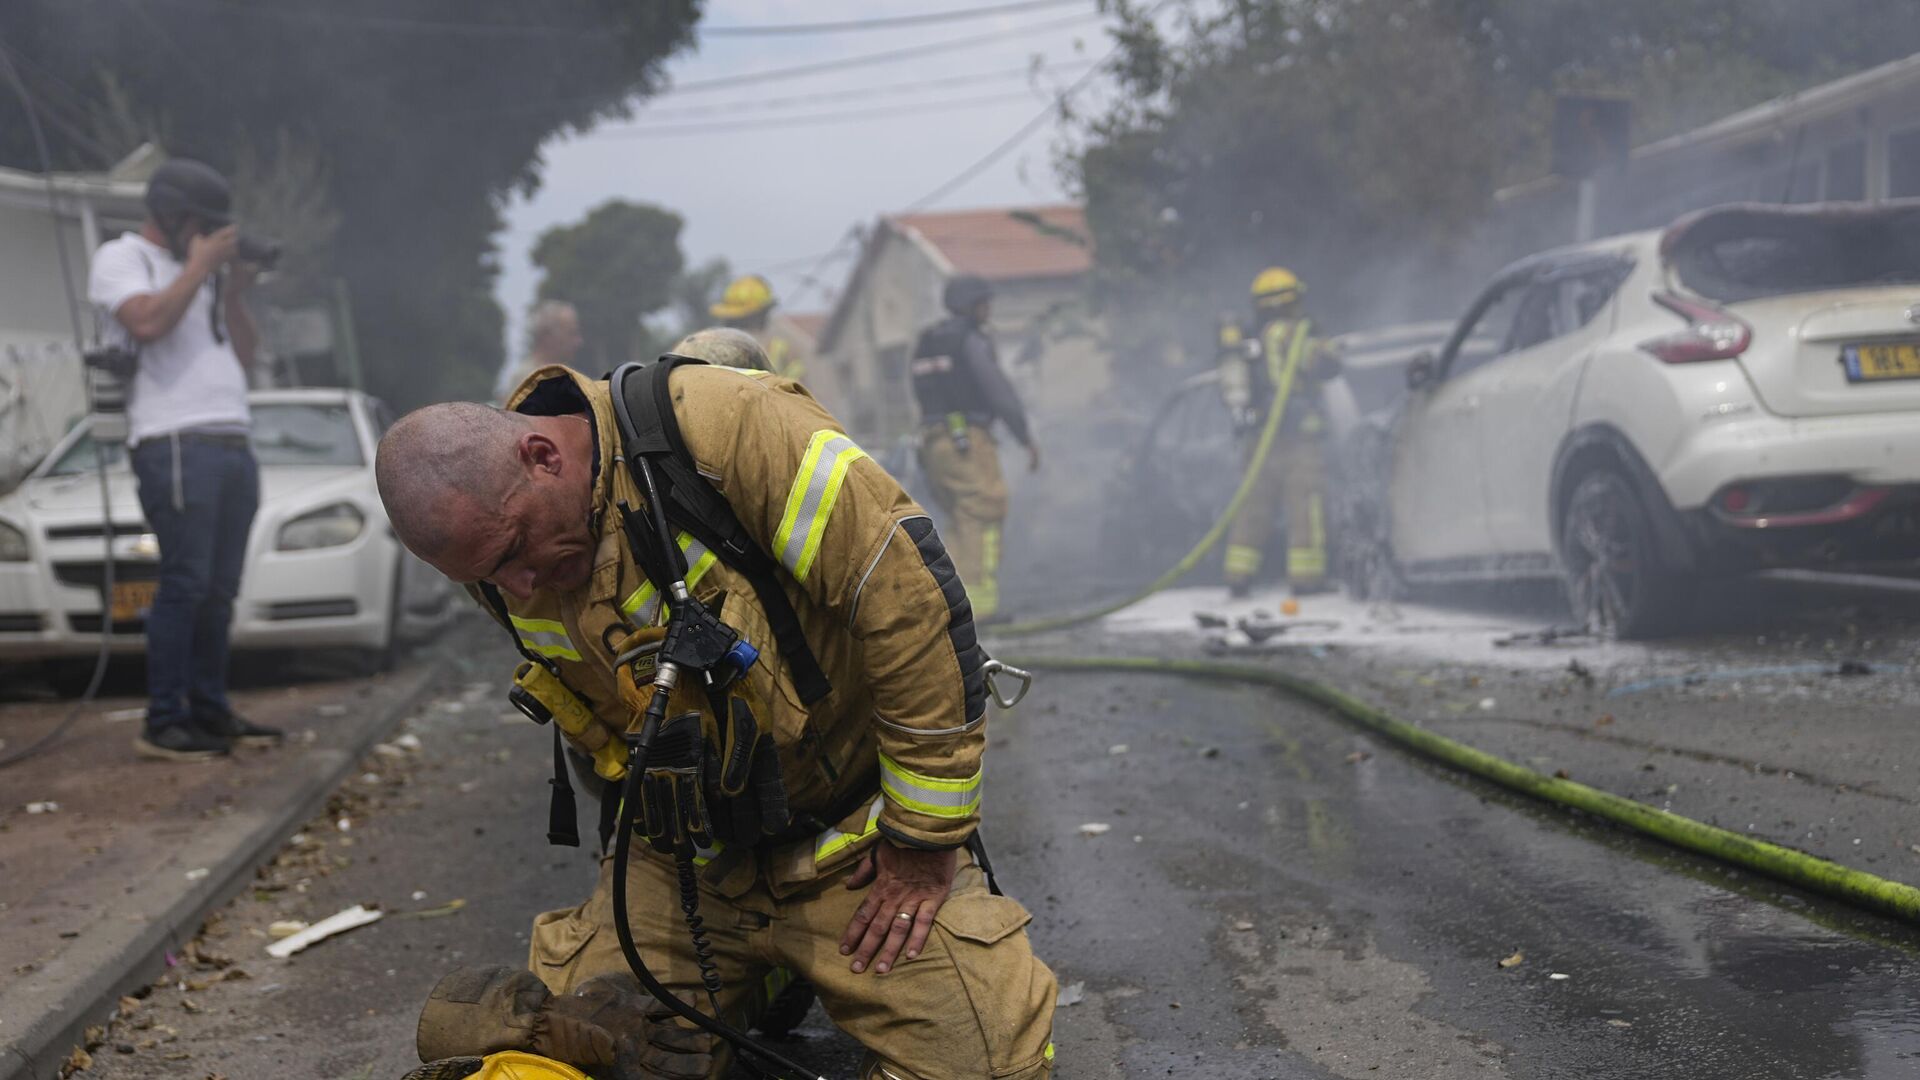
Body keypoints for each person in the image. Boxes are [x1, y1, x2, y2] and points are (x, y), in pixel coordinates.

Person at [374, 356, 1058, 1079]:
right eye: (487, 577)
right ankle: (762, 974)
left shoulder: (724, 426)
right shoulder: (508, 558)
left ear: (542, 457)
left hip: (853, 852)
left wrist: (921, 844)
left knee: (985, 1063)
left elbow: (908, 600)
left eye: (514, 551)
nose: (517, 587)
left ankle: (793, 964)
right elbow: (601, 730)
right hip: (688, 865)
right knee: (561, 1046)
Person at [86, 157, 282, 761]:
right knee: (185, 582)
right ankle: (163, 719)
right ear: (172, 217)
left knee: (220, 588)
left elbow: (244, 356)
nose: (211, 235)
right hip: (173, 440)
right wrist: (199, 268)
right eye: (203, 223)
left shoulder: (205, 279)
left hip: (231, 438)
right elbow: (145, 323)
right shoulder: (122, 258)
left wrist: (233, 291)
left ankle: (209, 708)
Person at [908, 275, 1038, 622]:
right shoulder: (969, 339)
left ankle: (957, 605)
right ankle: (979, 609)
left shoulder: (927, 341)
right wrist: (1024, 436)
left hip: (934, 443)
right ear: (971, 305)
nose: (988, 309)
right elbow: (997, 390)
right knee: (984, 511)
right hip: (965, 441)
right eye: (984, 302)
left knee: (961, 520)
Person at [1219, 267, 1340, 599]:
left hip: (1258, 440)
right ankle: (1306, 580)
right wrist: (1324, 343)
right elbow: (1327, 365)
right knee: (1306, 507)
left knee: (1252, 508)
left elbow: (1233, 390)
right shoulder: (1292, 335)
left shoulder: (1248, 343)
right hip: (1298, 441)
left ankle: (1238, 575)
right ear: (1293, 301)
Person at [708, 273, 808, 381]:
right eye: (734, 320)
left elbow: (797, 387)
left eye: (742, 319)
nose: (737, 326)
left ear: (759, 315)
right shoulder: (717, 349)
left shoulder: (780, 347)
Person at [496, 300, 584, 402]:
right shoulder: (526, 381)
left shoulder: (569, 378)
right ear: (548, 336)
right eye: (571, 333)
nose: (579, 341)